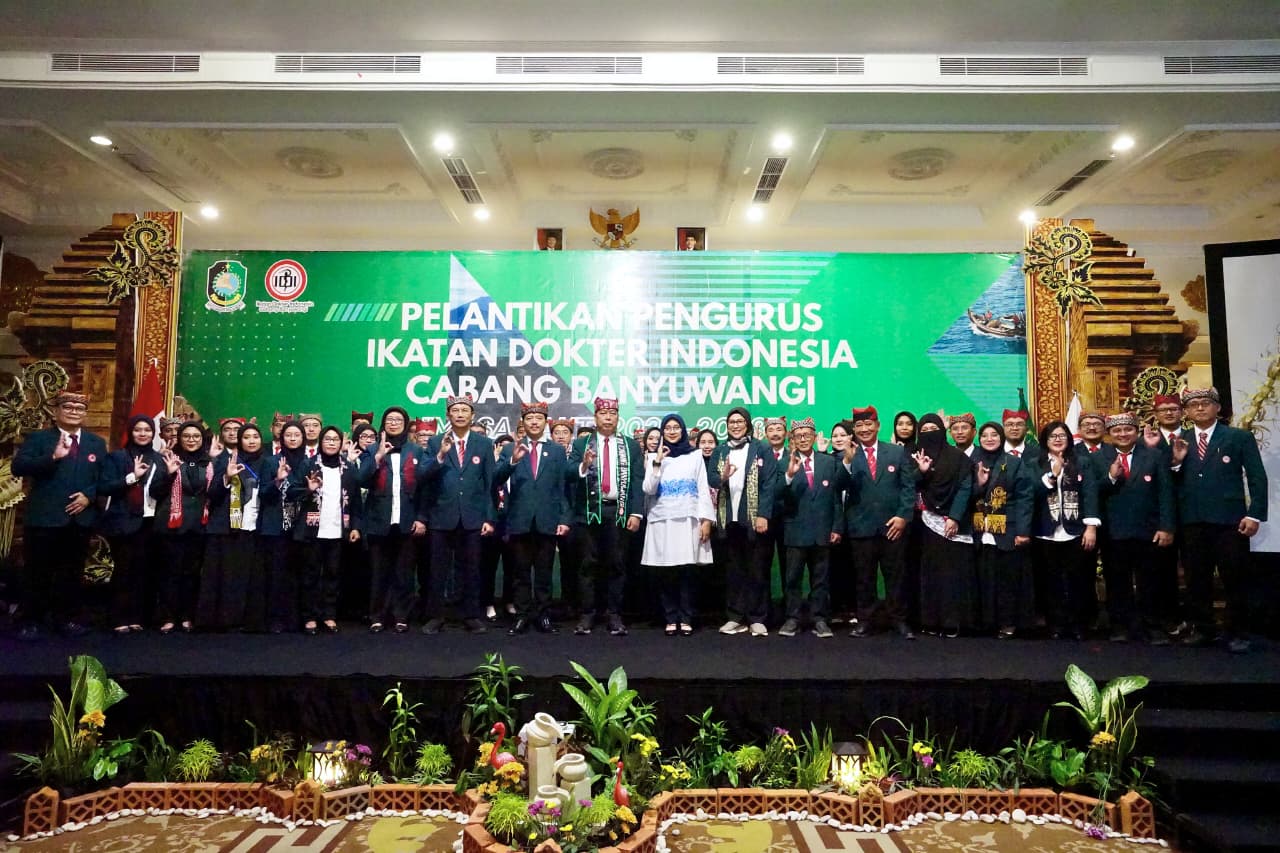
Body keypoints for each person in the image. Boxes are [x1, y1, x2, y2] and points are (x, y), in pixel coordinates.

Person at [1168, 388, 1268, 653]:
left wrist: (1254, 514)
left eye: (1205, 403)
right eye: (1194, 405)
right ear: (1186, 411)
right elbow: (1169, 483)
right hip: (1192, 520)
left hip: (1229, 521)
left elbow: (1257, 476)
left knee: (1234, 577)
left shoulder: (1238, 437)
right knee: (1196, 578)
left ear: (1217, 408)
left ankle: (1237, 632)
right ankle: (1203, 629)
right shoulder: (1180, 439)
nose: (1200, 408)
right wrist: (1176, 463)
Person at [13, 390, 110, 639]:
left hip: (79, 519)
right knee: (37, 571)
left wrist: (89, 496)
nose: (74, 412)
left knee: (71, 572)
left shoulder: (96, 443)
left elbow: (105, 478)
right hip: (45, 517)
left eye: (79, 409)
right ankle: (30, 620)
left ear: (85, 413)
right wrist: (53, 457)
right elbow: (18, 467)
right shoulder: (39, 439)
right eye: (68, 408)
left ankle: (66, 619)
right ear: (56, 411)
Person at [567, 397, 644, 636]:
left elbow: (637, 480)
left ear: (618, 417)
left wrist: (636, 512)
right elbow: (568, 473)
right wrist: (583, 465)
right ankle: (587, 614)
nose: (608, 418)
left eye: (612, 414)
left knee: (617, 564)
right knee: (587, 565)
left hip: (618, 511)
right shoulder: (582, 444)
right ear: (595, 417)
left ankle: (614, 615)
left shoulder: (630, 446)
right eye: (603, 414)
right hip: (588, 511)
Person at [1098, 412, 1175, 644]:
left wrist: (1167, 526)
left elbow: (1165, 493)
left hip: (1148, 530)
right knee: (1117, 581)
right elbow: (1092, 492)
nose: (1122, 434)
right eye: (1117, 430)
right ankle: (1120, 626)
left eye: (1128, 429)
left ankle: (1151, 626)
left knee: (1150, 581)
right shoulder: (1099, 457)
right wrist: (1111, 477)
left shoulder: (1154, 455)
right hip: (1113, 531)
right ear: (1109, 434)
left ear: (1136, 431)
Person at [421, 394, 495, 634]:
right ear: (448, 415)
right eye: (456, 410)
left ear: (472, 415)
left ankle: (471, 615)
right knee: (438, 569)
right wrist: (441, 455)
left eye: (465, 410)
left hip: (473, 516)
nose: (460, 414)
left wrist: (489, 517)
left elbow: (490, 483)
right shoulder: (435, 442)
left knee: (472, 569)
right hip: (441, 514)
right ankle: (436, 616)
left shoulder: (484, 443)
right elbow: (424, 474)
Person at [494, 402, 570, 634]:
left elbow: (563, 488)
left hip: (547, 519)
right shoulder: (511, 448)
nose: (534, 422)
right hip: (519, 519)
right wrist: (513, 461)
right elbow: (496, 478)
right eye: (529, 418)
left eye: (539, 418)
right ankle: (522, 616)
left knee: (544, 573)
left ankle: (544, 615)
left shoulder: (556, 451)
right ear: (523, 422)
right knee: (520, 573)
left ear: (546, 422)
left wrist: (564, 518)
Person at [843, 406, 918, 639]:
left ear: (877, 426)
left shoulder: (896, 452)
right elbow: (838, 486)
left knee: (896, 577)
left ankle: (899, 621)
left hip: (892, 527)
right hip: (861, 527)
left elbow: (908, 487)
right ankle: (865, 621)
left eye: (868, 424)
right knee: (864, 579)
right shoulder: (848, 454)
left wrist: (903, 516)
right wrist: (847, 462)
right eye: (859, 426)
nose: (864, 429)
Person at [643, 414, 715, 635]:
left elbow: (703, 489)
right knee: (666, 572)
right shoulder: (653, 456)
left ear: (682, 431)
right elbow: (648, 489)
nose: (672, 431)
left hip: (688, 520)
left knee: (687, 571)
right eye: (668, 428)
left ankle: (686, 617)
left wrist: (706, 520)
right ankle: (670, 617)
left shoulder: (695, 456)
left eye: (676, 427)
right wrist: (657, 462)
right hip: (662, 521)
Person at [707, 406, 776, 637]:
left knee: (757, 570)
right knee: (734, 572)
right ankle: (735, 617)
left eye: (739, 421)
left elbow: (768, 484)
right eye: (731, 422)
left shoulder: (761, 448)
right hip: (729, 520)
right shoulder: (720, 450)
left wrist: (763, 514)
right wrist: (723, 476)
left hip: (753, 520)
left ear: (747, 424)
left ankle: (757, 618)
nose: (735, 425)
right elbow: (711, 479)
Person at [358, 406, 426, 633]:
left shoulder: (416, 451)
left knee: (404, 574)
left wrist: (421, 518)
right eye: (389, 419)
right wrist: (377, 456)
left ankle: (401, 617)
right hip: (378, 521)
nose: (394, 423)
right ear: (383, 424)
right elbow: (361, 479)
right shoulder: (371, 449)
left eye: (398, 420)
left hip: (407, 521)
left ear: (405, 424)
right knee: (379, 573)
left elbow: (424, 488)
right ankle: (377, 616)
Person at [290, 425, 362, 634]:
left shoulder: (348, 468)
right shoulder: (308, 464)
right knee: (310, 575)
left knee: (333, 574)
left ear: (341, 443)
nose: (331, 443)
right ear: (320, 442)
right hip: (312, 531)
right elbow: (291, 492)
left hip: (338, 531)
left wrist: (356, 527)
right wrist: (308, 489)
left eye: (335, 439)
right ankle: (309, 617)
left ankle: (329, 615)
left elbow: (356, 502)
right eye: (327, 439)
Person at [1032, 420, 1100, 640]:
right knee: (1051, 581)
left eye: (1062, 435)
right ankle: (1056, 624)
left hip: (1076, 530)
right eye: (1053, 436)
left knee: (1079, 579)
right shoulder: (1035, 463)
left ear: (1069, 439)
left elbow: (1090, 494)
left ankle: (1079, 624)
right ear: (1045, 440)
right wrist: (1052, 475)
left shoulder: (1082, 462)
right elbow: (1032, 492)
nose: (1058, 439)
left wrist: (1091, 527)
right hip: (1045, 530)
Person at [777, 418, 845, 638]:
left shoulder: (828, 462)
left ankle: (820, 619)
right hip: (795, 531)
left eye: (807, 435)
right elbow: (776, 494)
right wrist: (788, 476)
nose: (803, 439)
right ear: (793, 439)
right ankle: (792, 618)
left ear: (815, 437)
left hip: (822, 532)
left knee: (821, 579)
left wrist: (837, 527)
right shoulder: (784, 463)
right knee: (792, 579)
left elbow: (836, 498)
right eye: (799, 436)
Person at [99, 414, 163, 634]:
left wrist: (170, 475)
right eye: (138, 430)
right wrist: (132, 477)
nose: (143, 434)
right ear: (131, 432)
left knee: (143, 571)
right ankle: (118, 617)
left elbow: (160, 491)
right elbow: (104, 487)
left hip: (150, 523)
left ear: (153, 433)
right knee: (123, 570)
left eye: (147, 430)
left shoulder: (159, 458)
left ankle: (137, 616)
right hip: (123, 522)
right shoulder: (117, 457)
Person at [970, 421, 1035, 638]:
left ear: (1001, 437)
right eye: (984, 435)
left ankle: (1008, 623)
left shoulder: (1013, 462)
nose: (989, 439)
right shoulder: (972, 462)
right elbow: (964, 494)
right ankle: (988, 622)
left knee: (1008, 581)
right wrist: (979, 484)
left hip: (1008, 531)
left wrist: (1023, 531)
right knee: (984, 580)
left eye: (994, 435)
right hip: (981, 531)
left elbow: (1025, 498)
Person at [913, 413, 976, 637]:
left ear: (942, 431)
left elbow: (965, 487)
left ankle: (953, 622)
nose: (930, 434)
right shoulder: (914, 456)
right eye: (925, 430)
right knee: (930, 574)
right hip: (924, 525)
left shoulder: (958, 458)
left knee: (953, 575)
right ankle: (930, 621)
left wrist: (954, 517)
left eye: (934, 429)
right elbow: (908, 485)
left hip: (953, 524)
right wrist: (921, 472)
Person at [149, 420, 213, 634]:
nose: (191, 440)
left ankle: (187, 616)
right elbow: (154, 492)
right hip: (171, 526)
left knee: (192, 573)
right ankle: (168, 616)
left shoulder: (209, 462)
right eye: (186, 436)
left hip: (199, 526)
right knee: (170, 572)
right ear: (180, 438)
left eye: (196, 436)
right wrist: (169, 474)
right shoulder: (167, 458)